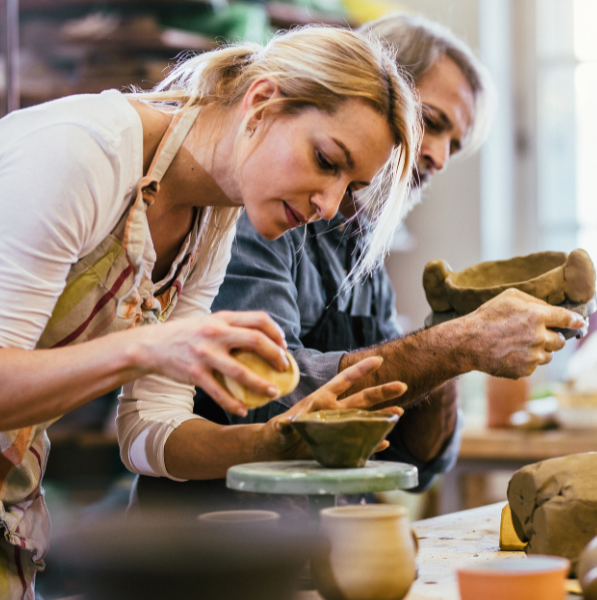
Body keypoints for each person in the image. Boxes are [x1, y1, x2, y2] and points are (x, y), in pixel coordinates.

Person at [0, 26, 421, 598]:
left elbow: (150, 432)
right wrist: (149, 346)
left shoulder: (211, 221)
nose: (327, 204)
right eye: (326, 160)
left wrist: (273, 442)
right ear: (262, 102)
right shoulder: (84, 154)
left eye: (349, 186)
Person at [134, 14, 584, 498]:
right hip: (219, 546)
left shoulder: (359, 239)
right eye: (429, 124)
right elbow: (273, 401)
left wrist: (455, 331)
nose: (437, 157)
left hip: (328, 543)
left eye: (454, 144)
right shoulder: (259, 205)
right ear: (375, 96)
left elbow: (414, 459)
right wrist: (455, 343)